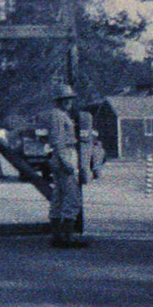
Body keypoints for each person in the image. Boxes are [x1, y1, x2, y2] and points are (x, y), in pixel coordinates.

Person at [48, 84, 87, 248]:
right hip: (64, 155)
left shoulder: (61, 115)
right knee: (72, 197)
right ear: (59, 100)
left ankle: (57, 235)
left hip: (63, 155)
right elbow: (57, 140)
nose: (68, 102)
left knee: (59, 196)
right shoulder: (58, 116)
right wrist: (66, 161)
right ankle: (67, 236)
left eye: (70, 99)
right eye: (65, 99)